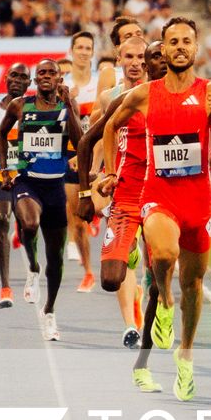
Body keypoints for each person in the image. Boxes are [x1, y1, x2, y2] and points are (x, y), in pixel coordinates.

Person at [97, 18, 211, 400]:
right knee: (163, 253)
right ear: (162, 48)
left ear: (196, 48)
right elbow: (110, 126)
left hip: (199, 200)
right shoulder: (145, 94)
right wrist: (110, 172)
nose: (179, 47)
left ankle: (186, 354)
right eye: (172, 41)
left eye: (186, 42)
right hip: (158, 195)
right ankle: (163, 299)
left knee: (194, 285)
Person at [75, 36, 171, 379]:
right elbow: (93, 140)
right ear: (121, 59)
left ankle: (159, 312)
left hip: (160, 197)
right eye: (129, 57)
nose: (135, 64)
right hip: (126, 195)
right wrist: (91, 190)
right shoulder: (118, 100)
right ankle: (129, 255)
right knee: (111, 280)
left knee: (161, 262)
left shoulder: (173, 100)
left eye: (141, 60)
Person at [0, 60, 84, 342]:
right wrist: (6, 168)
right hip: (26, 181)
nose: (46, 77)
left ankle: (49, 312)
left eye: (51, 73)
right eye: (41, 73)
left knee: (55, 260)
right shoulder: (21, 105)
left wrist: (69, 105)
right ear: (35, 79)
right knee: (30, 223)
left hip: (55, 186)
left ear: (59, 78)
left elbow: (80, 142)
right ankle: (32, 267)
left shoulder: (67, 106)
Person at [62, 28, 116, 291]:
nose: (83, 52)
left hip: (101, 155)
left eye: (87, 48)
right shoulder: (62, 84)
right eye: (79, 47)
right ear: (71, 52)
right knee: (78, 216)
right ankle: (88, 272)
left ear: (93, 53)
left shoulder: (102, 83)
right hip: (72, 157)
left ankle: (114, 263)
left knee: (111, 215)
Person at [0, 63, 32, 308]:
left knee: (28, 225)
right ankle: (5, 287)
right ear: (6, 78)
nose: (16, 80)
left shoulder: (31, 107)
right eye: (13, 75)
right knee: (2, 218)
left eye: (22, 77)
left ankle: (33, 269)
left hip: (23, 173)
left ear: (28, 84)